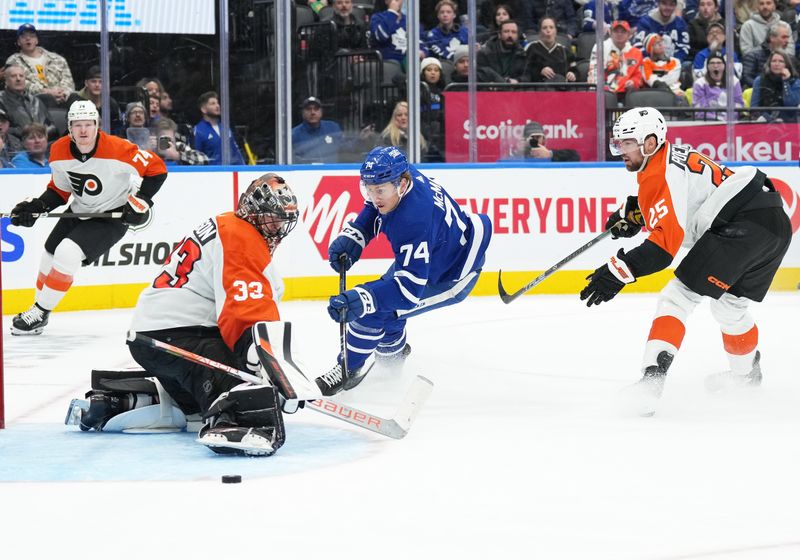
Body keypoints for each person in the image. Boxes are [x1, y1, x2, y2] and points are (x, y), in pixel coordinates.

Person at [580, 107, 791, 415]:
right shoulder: (670, 159)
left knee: (676, 298)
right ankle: (746, 376)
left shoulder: (658, 172)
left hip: (739, 223)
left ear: (650, 143)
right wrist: (636, 212)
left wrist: (618, 272)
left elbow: (664, 247)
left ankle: (651, 384)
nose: (620, 150)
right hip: (773, 223)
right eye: (619, 143)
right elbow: (683, 199)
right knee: (729, 308)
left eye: (627, 143)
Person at [71, 174, 299, 457]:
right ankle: (229, 422)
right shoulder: (241, 238)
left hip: (155, 337)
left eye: (281, 221)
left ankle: (150, 402)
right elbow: (245, 316)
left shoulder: (228, 224)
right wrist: (272, 373)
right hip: (179, 338)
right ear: (251, 212)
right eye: (269, 218)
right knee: (249, 387)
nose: (275, 229)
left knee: (210, 399)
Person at [313, 146, 492, 396]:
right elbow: (374, 208)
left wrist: (364, 298)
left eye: (380, 190)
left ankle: (348, 368)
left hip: (450, 277)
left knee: (371, 311)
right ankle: (392, 363)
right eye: (370, 188)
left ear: (401, 183)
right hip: (437, 253)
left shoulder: (413, 220)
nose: (375, 197)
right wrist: (357, 234)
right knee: (385, 307)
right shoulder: (401, 177)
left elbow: (409, 291)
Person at [8, 100, 167, 335]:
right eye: (77, 125)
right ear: (69, 128)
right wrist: (38, 206)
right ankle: (39, 310)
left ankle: (40, 311)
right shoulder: (60, 150)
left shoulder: (117, 149)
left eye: (89, 124)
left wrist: (141, 200)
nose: (84, 130)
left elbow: (157, 169)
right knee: (50, 254)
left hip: (111, 216)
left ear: (97, 126)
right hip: (81, 208)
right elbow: (60, 191)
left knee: (67, 253)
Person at [5, 23, 75, 107]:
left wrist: (63, 94)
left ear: (37, 40)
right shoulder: (13, 61)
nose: (28, 39)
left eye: (32, 36)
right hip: (32, 104)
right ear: (18, 42)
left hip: (62, 101)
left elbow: (69, 83)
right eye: (23, 36)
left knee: (76, 98)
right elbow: (19, 85)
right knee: (46, 98)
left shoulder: (57, 59)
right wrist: (46, 92)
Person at [0, 63, 57, 143]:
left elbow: (52, 126)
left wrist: (40, 134)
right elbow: (3, 129)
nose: (18, 79)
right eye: (13, 76)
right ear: (6, 81)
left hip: (43, 145)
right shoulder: (1, 100)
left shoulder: (36, 101)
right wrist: (27, 134)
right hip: (14, 147)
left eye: (21, 76)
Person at [588, 20, 644, 96]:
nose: (619, 34)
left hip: (627, 94)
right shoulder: (601, 47)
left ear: (629, 35)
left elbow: (639, 76)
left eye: (623, 32)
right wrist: (595, 93)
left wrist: (633, 82)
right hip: (604, 93)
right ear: (610, 33)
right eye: (616, 31)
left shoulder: (636, 53)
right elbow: (594, 71)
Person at [65, 65, 122, 135]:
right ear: (86, 83)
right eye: (93, 81)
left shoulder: (111, 103)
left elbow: (117, 128)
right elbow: (70, 126)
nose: (97, 85)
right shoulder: (75, 100)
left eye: (101, 82)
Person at [193, 91, 245, 166]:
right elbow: (195, 158)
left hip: (230, 172)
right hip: (210, 174)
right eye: (213, 104)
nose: (217, 106)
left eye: (217, 103)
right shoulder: (198, 131)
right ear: (203, 109)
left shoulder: (225, 128)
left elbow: (235, 153)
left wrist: (243, 168)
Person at [692, 51, 744, 120]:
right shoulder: (700, 83)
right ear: (707, 66)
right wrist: (716, 119)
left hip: (730, 122)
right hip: (707, 122)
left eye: (719, 63)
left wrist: (727, 119)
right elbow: (699, 109)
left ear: (724, 65)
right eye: (712, 63)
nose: (715, 66)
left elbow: (739, 104)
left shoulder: (734, 81)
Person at [291, 96, 346, 163]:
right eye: (308, 109)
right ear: (302, 113)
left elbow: (346, 149)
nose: (312, 112)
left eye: (316, 109)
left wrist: (360, 140)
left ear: (321, 111)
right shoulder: (294, 134)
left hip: (330, 172)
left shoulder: (333, 128)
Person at [751, 50, 800, 122]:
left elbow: (791, 105)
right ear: (769, 64)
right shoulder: (759, 80)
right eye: (774, 61)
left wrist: (786, 82)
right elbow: (754, 108)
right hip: (765, 122)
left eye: (781, 61)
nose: (776, 64)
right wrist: (770, 119)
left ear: (787, 64)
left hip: (789, 124)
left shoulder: (795, 81)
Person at [741, 20, 793, 88]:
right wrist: (765, 89)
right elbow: (747, 79)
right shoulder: (752, 56)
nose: (787, 41)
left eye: (787, 37)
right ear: (772, 38)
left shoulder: (791, 59)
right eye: (783, 37)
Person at [526, 17, 577, 84]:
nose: (548, 30)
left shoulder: (564, 51)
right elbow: (525, 71)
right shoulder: (532, 48)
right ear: (540, 32)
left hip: (561, 90)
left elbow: (574, 69)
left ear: (556, 31)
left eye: (551, 27)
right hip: (538, 89)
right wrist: (540, 71)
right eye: (544, 28)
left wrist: (572, 74)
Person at [641, 34, 685, 99]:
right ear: (651, 48)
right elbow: (651, 81)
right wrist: (661, 81)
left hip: (675, 91)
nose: (660, 45)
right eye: (656, 43)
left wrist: (658, 79)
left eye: (661, 42)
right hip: (655, 93)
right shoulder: (646, 62)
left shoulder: (674, 61)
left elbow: (672, 79)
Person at [510, 120, 580, 161]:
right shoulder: (519, 156)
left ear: (543, 139)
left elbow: (575, 156)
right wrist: (518, 153)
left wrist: (550, 154)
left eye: (538, 137)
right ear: (525, 140)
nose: (535, 141)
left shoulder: (548, 154)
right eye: (531, 138)